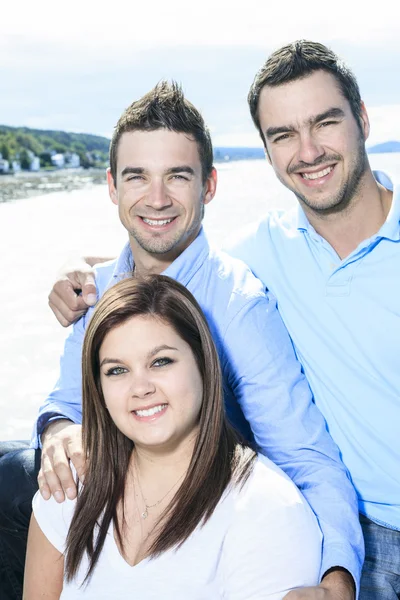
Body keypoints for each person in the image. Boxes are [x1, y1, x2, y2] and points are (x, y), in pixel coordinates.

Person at [0, 82, 361, 600]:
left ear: (209, 186)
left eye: (177, 176)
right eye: (137, 177)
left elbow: (304, 457)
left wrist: (337, 580)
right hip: (121, 498)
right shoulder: (97, 290)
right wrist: (58, 428)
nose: (157, 198)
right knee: (13, 471)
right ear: (111, 187)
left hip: (205, 520)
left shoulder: (238, 306)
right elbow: (65, 398)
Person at [23, 275, 322, 599]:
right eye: (117, 370)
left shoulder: (266, 510)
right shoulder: (69, 488)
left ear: (204, 365)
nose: (141, 388)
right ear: (99, 388)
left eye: (161, 361)